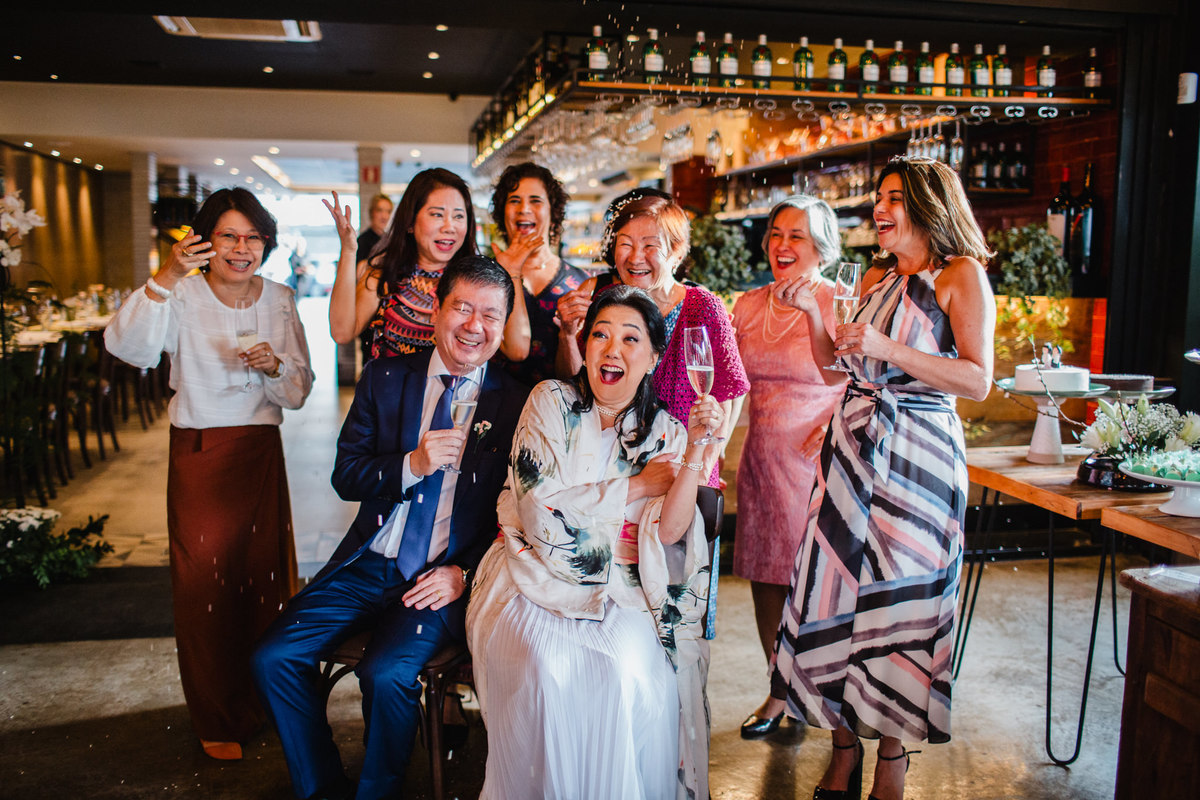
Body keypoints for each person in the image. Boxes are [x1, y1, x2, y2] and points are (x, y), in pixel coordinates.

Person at [252, 256, 530, 800]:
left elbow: (522, 512)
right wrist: (412, 464)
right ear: (437, 310)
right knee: (273, 657)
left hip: (441, 575)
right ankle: (321, 787)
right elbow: (346, 476)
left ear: (503, 326)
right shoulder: (386, 378)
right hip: (370, 560)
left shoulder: (519, 400)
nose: (474, 326)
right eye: (462, 308)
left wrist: (465, 573)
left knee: (385, 674)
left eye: (490, 315)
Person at [769, 157, 995, 800]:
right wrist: (815, 316)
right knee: (833, 593)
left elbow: (978, 380)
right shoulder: (876, 275)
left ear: (928, 204)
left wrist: (887, 348)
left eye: (894, 197)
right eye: (879, 196)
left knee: (902, 601)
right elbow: (836, 369)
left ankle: (892, 758)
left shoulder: (961, 275)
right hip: (852, 449)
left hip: (920, 457)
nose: (880, 207)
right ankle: (842, 750)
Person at [467, 285, 724, 800]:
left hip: (625, 586)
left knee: (623, 674)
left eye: (630, 339)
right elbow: (538, 511)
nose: (612, 349)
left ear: (653, 358)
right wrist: (637, 487)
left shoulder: (667, 433)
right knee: (545, 670)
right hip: (528, 572)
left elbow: (668, 532)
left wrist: (696, 451)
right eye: (601, 335)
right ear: (584, 346)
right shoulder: (549, 402)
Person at [104, 187, 313, 761]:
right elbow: (128, 347)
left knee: (265, 580)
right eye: (228, 236)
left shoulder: (280, 298)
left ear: (266, 243)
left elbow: (298, 391)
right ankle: (217, 715)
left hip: (259, 451)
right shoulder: (181, 293)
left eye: (253, 237)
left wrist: (275, 366)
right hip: (200, 452)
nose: (242, 248)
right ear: (204, 241)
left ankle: (268, 702)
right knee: (204, 589)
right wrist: (166, 276)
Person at [732, 195, 848, 739]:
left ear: (821, 247)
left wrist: (836, 428)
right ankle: (779, 689)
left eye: (796, 236)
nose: (782, 245)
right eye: (776, 233)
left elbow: (858, 378)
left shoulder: (840, 301)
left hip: (818, 463)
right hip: (761, 458)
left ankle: (821, 691)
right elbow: (726, 380)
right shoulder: (748, 305)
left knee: (814, 580)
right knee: (766, 577)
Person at [556, 191, 749, 486]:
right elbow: (574, 386)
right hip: (612, 475)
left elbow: (725, 395)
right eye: (625, 244)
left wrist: (701, 472)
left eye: (650, 246)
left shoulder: (703, 306)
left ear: (677, 252)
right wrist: (568, 335)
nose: (635, 258)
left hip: (683, 469)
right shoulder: (604, 302)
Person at [324, 168, 522, 362]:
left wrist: (513, 273)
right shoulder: (384, 275)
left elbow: (517, 350)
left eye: (458, 216)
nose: (449, 227)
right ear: (410, 223)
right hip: (389, 384)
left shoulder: (480, 281)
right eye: (437, 215)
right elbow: (342, 332)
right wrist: (348, 250)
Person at [488, 162, 588, 386]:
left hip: (557, 403)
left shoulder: (580, 282)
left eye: (535, 200)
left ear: (553, 212)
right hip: (493, 400)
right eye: (514, 200)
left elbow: (579, 370)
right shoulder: (484, 276)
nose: (524, 209)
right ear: (502, 212)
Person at [356, 192, 393, 265]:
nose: (384, 216)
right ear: (372, 212)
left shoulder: (390, 240)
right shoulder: (362, 241)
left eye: (388, 211)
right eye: (380, 210)